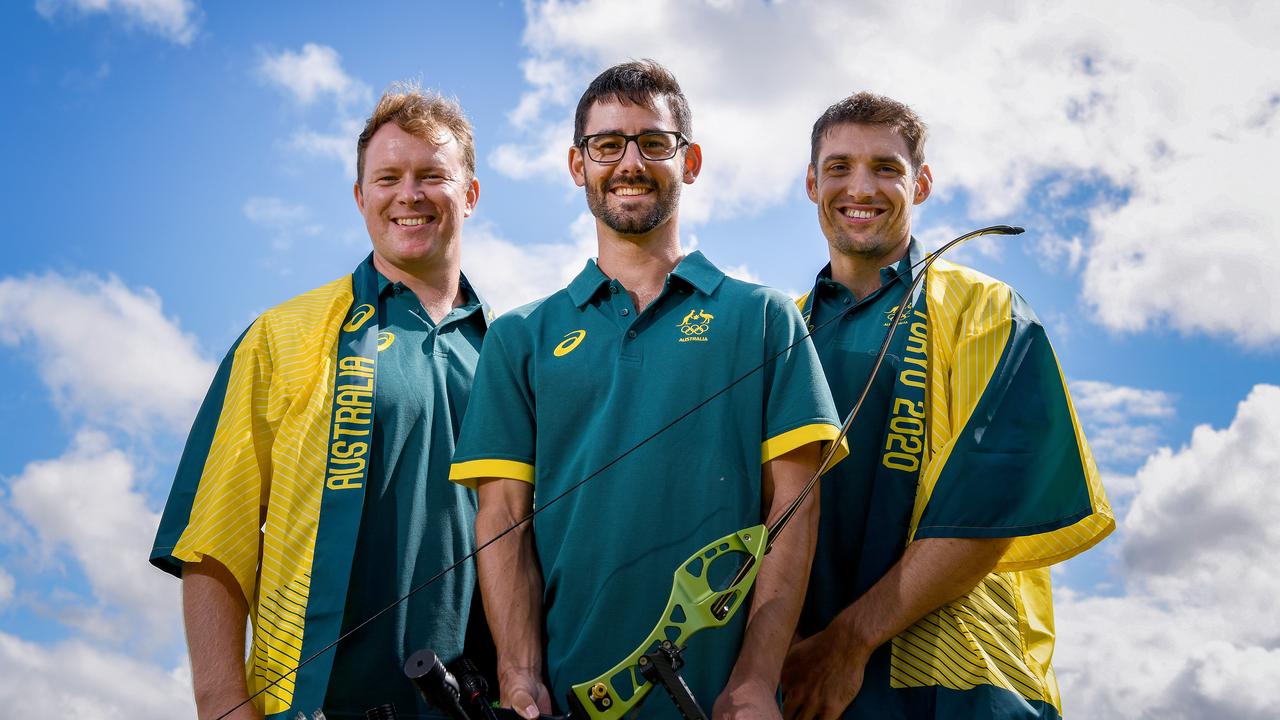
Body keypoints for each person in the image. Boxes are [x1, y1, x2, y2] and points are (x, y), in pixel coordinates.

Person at [449, 60, 846, 720]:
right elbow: (503, 521)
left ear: (688, 161)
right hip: (569, 704)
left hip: (721, 706)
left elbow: (795, 511)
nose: (629, 162)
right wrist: (519, 676)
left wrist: (752, 679)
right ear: (578, 166)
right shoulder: (517, 337)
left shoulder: (765, 317)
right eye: (607, 144)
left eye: (653, 142)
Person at [150, 83, 490, 719]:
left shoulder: (510, 352)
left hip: (476, 706)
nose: (408, 195)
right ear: (362, 199)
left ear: (469, 194)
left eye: (431, 175)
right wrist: (223, 703)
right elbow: (211, 540)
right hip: (306, 706)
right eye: (387, 178)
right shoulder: (284, 336)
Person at [780, 92, 1115, 720]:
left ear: (922, 183)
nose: (861, 187)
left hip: (962, 682)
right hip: (803, 687)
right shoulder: (782, 332)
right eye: (839, 167)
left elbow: (987, 511)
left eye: (886, 168)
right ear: (811, 182)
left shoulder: (987, 311)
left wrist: (847, 644)